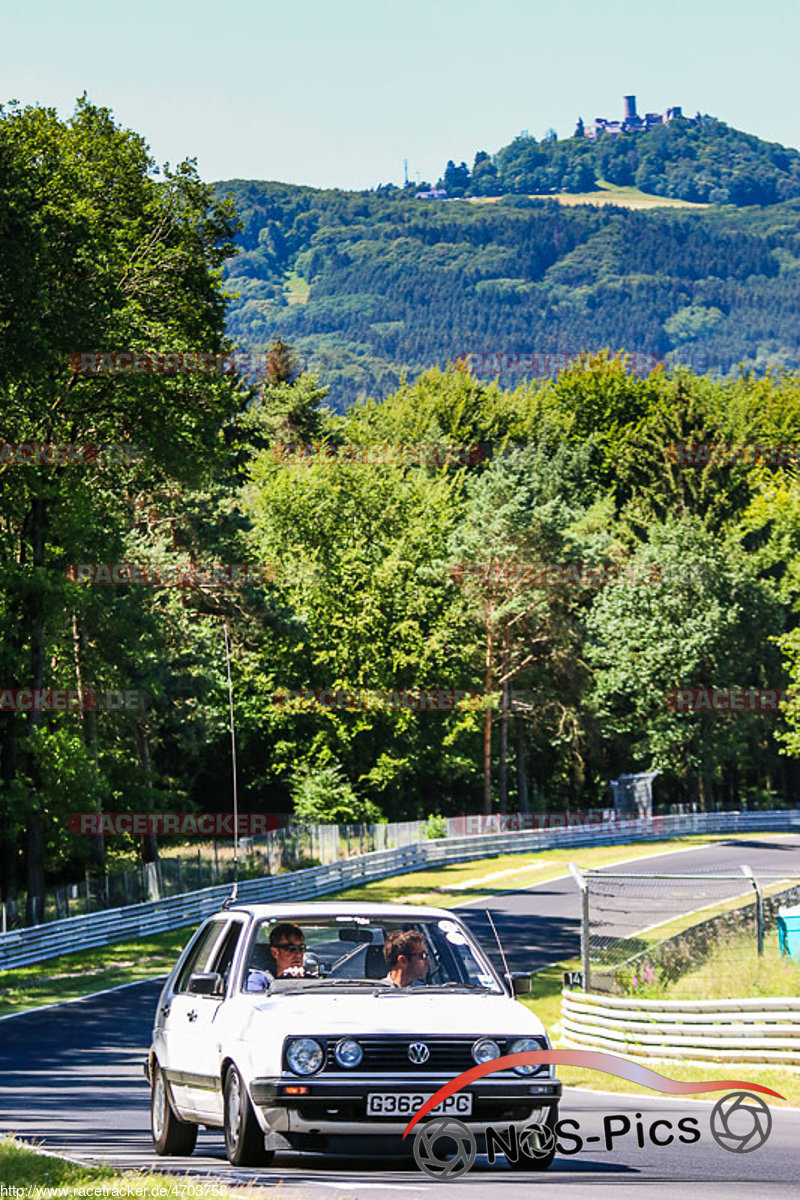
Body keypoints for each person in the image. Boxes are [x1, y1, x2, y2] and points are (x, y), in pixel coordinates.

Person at [245, 922, 307, 990]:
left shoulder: (312, 979)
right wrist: (285, 981)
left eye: (301, 948)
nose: (298, 954)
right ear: (275, 952)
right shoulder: (260, 980)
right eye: (291, 948)